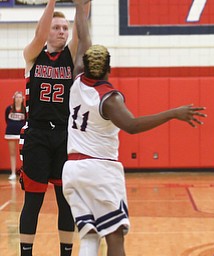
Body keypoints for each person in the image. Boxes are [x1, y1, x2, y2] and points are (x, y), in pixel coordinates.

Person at [62, 1, 207, 255]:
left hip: (72, 170)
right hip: (99, 169)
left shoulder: (76, 79)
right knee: (115, 235)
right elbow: (132, 125)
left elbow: (83, 37)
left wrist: (80, 7)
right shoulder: (110, 98)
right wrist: (174, 113)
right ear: (109, 68)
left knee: (90, 233)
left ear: (84, 64)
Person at [18, 0, 90, 255]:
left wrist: (83, 5)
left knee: (65, 200)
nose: (61, 31)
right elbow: (39, 33)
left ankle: (66, 253)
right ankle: (26, 252)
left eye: (64, 28)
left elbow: (81, 30)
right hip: (36, 134)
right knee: (33, 201)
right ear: (47, 29)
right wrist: (51, 2)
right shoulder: (32, 55)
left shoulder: (70, 57)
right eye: (56, 27)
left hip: (63, 135)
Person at [4, 91, 26, 180]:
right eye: (17, 97)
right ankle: (13, 173)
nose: (18, 99)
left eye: (20, 97)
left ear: (22, 99)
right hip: (10, 133)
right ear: (14, 98)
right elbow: (6, 119)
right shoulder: (9, 108)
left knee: (23, 154)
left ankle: (24, 173)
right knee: (12, 153)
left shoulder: (24, 109)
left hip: (21, 134)